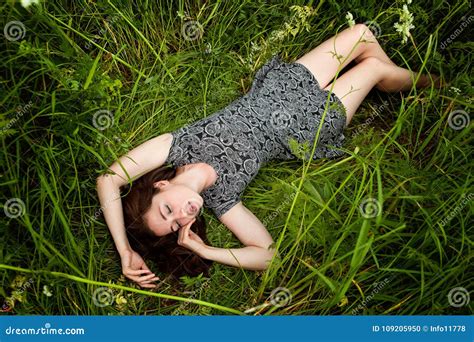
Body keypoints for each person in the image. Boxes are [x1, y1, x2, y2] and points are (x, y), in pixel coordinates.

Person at [96, 23, 442, 288]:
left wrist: (125, 249)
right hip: (312, 122)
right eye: (176, 226)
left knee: (365, 33)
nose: (182, 216)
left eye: (167, 209)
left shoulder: (177, 144)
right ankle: (435, 83)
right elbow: (269, 256)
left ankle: (402, 81)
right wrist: (204, 250)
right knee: (375, 69)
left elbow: (109, 179)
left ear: (159, 185)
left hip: (284, 85)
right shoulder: (223, 199)